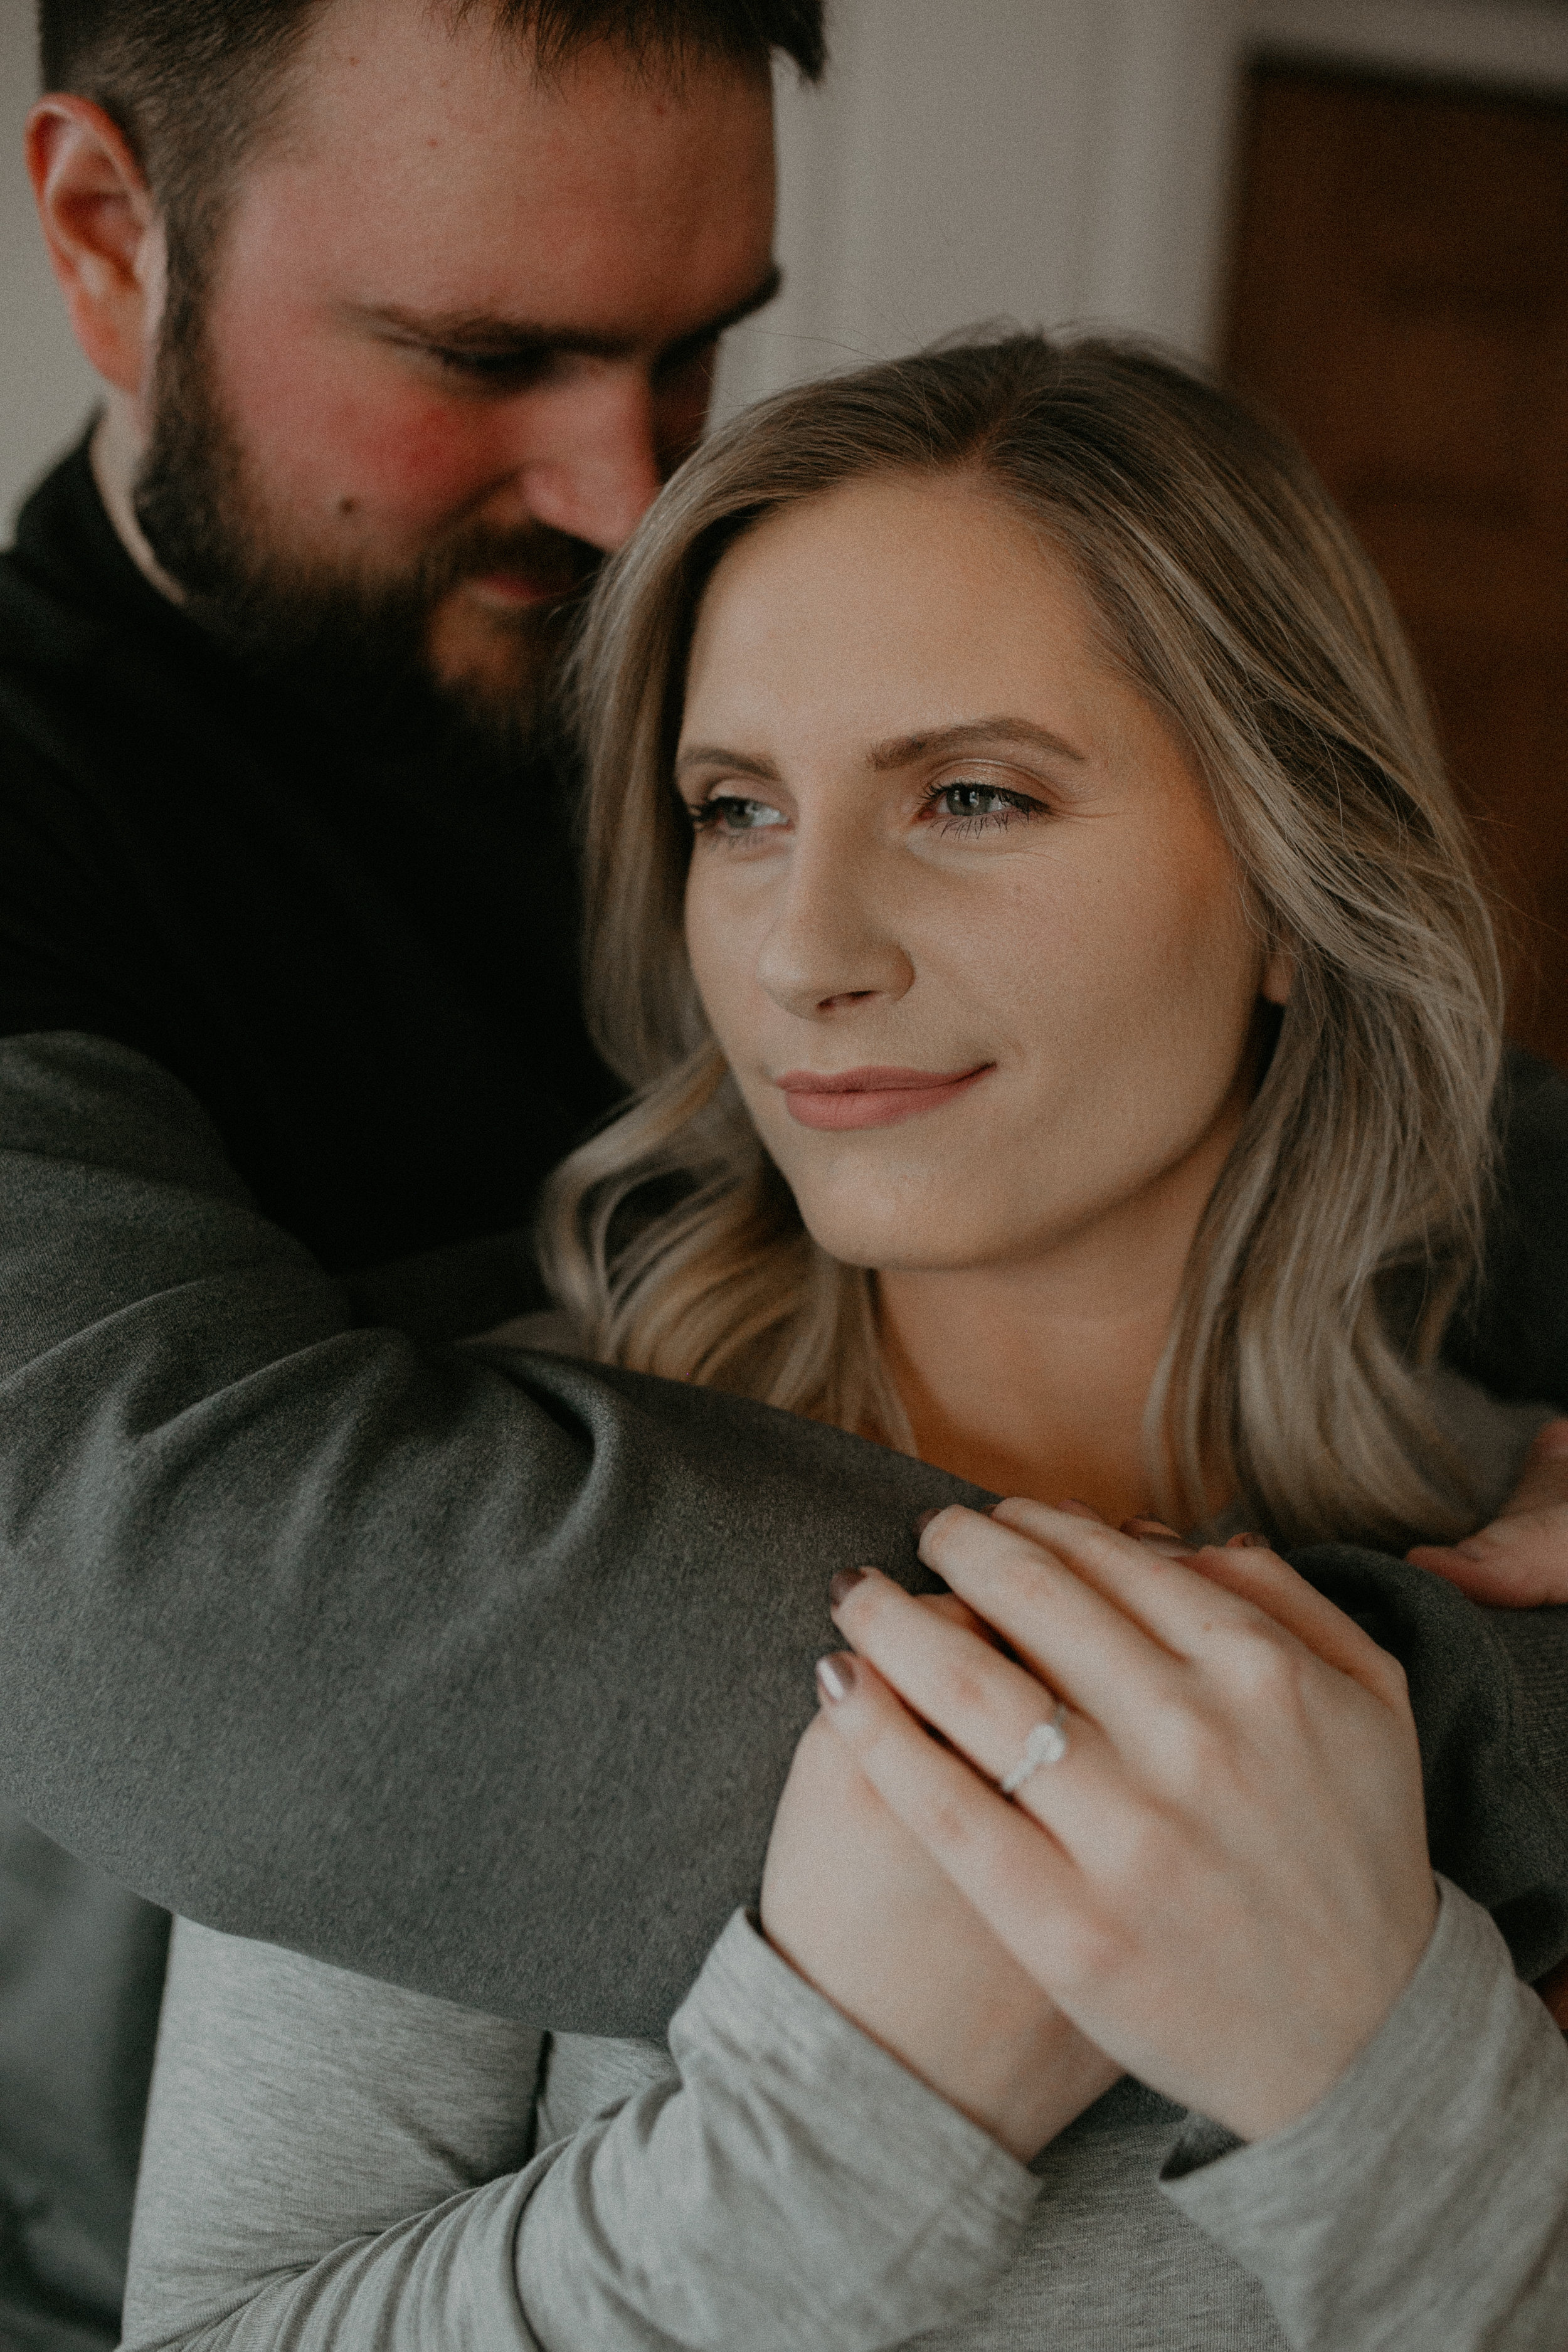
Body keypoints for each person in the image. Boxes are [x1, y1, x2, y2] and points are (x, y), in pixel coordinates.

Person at [0, 0, 1564, 2338]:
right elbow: (131, 1561)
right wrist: (939, 2025)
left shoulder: (1505, 1456)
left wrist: (1391, 2063)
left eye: (969, 795)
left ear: (1292, 871)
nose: (800, 951)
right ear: (107, 232)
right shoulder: (495, 1457)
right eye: (732, 812)